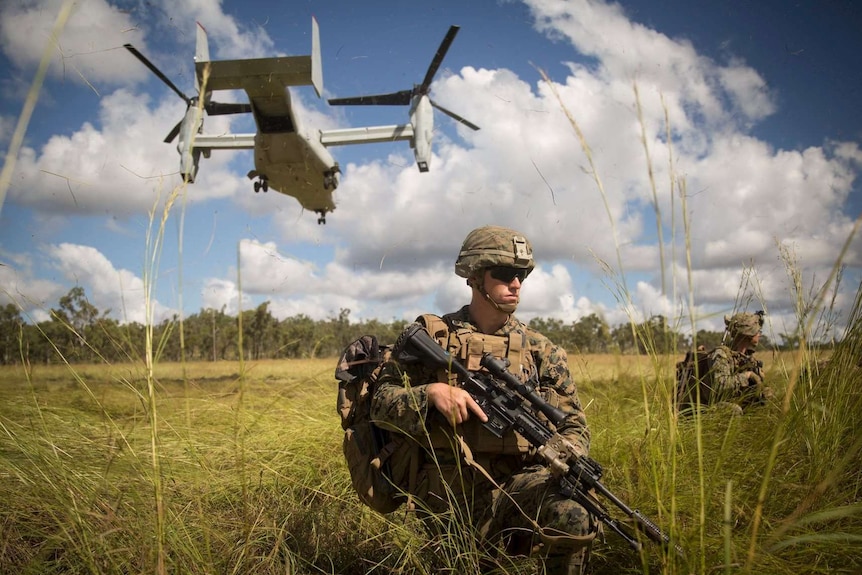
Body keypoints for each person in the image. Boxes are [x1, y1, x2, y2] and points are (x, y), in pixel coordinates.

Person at [371, 226, 596, 575]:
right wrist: (430, 394)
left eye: (521, 275)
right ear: (475, 277)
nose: (517, 284)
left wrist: (567, 451)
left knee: (575, 509)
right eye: (505, 274)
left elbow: (574, 423)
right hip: (449, 492)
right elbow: (380, 403)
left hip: (522, 485)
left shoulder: (542, 350)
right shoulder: (435, 338)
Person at [678, 311, 772, 415]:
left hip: (724, 402)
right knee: (734, 410)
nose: (759, 334)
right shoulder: (721, 354)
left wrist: (761, 388)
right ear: (748, 334)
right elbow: (719, 385)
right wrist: (747, 376)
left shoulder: (747, 358)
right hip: (702, 409)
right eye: (757, 332)